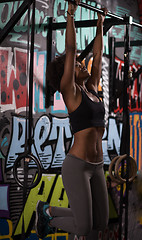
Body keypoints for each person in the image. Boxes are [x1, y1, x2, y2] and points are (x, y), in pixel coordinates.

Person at [35, 0, 109, 239]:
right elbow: (70, 49)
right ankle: (49, 215)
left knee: (101, 223)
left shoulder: (91, 89)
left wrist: (99, 24)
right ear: (68, 73)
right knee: (84, 227)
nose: (82, 64)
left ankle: (47, 210)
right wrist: (70, 14)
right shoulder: (71, 91)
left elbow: (97, 56)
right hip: (77, 165)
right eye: (78, 64)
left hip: (97, 166)